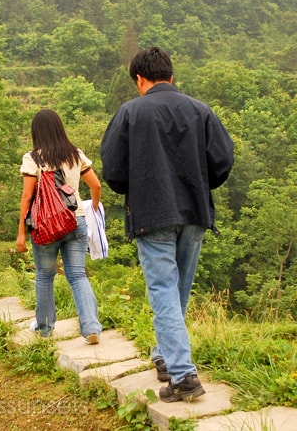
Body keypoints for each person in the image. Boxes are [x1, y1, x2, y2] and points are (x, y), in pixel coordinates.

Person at [100, 47, 234, 403]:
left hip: (152, 214)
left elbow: (112, 169)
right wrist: (198, 185)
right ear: (172, 77)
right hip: (194, 214)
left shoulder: (130, 112)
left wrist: (139, 188)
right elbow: (222, 160)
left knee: (162, 290)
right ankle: (165, 355)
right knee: (177, 291)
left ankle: (184, 375)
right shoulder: (200, 110)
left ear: (139, 80)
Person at [16, 109, 103, 344]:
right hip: (75, 220)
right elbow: (96, 186)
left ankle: (45, 329)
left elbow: (27, 196)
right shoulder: (76, 155)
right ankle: (91, 327)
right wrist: (93, 209)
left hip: (45, 226)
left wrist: (22, 232)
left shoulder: (32, 159)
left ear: (37, 132)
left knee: (45, 276)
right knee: (77, 275)